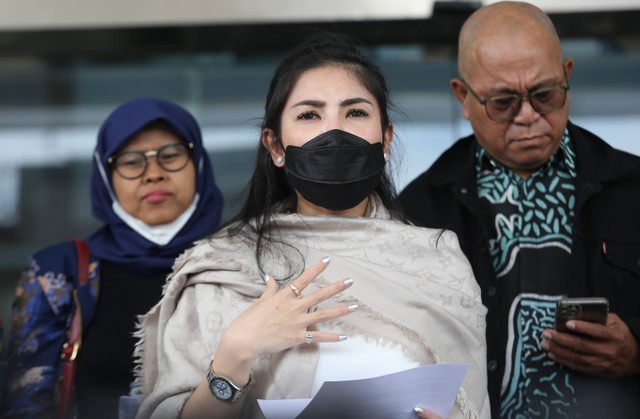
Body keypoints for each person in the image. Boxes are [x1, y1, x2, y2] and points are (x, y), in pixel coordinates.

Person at [133, 33, 490, 419]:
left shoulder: (439, 259)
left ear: (385, 139)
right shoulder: (222, 266)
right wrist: (235, 352)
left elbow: (469, 404)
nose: (333, 133)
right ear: (275, 147)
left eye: (355, 113)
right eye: (309, 115)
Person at [399, 1, 640, 417]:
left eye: (545, 94)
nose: (529, 116)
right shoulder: (418, 212)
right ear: (463, 96)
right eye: (503, 101)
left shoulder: (633, 189)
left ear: (567, 75)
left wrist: (638, 354)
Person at [1, 98, 224, 418]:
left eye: (171, 155)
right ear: (106, 177)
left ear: (198, 163)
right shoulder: (58, 271)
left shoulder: (241, 261)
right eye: (132, 162)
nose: (154, 174)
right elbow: (26, 402)